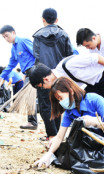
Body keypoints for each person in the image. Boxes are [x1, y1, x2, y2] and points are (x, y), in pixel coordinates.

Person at [29, 53, 104, 147]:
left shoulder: (68, 65)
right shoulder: (61, 85)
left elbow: (97, 57)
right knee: (97, 114)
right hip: (94, 85)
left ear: (45, 79)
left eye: (41, 86)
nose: (44, 89)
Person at [34, 77, 104, 167]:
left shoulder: (94, 99)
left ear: (71, 91)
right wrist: (48, 155)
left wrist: (95, 123)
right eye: (58, 100)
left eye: (61, 98)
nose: (60, 102)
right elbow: (60, 136)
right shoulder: (69, 112)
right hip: (99, 139)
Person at [32, 8, 74, 140]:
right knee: (59, 103)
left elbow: (37, 57)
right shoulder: (64, 34)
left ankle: (51, 135)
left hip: (43, 76)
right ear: (56, 20)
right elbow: (70, 56)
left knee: (45, 105)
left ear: (43, 19)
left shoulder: (37, 37)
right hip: (60, 76)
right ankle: (58, 137)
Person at [0, 25, 38, 130]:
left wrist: (37, 70)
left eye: (7, 36)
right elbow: (11, 65)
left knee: (33, 97)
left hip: (35, 71)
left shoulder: (23, 41)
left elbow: (37, 54)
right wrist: (1, 76)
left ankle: (35, 123)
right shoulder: (13, 48)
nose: (6, 39)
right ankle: (32, 122)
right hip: (28, 73)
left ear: (13, 33)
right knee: (28, 97)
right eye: (3, 37)